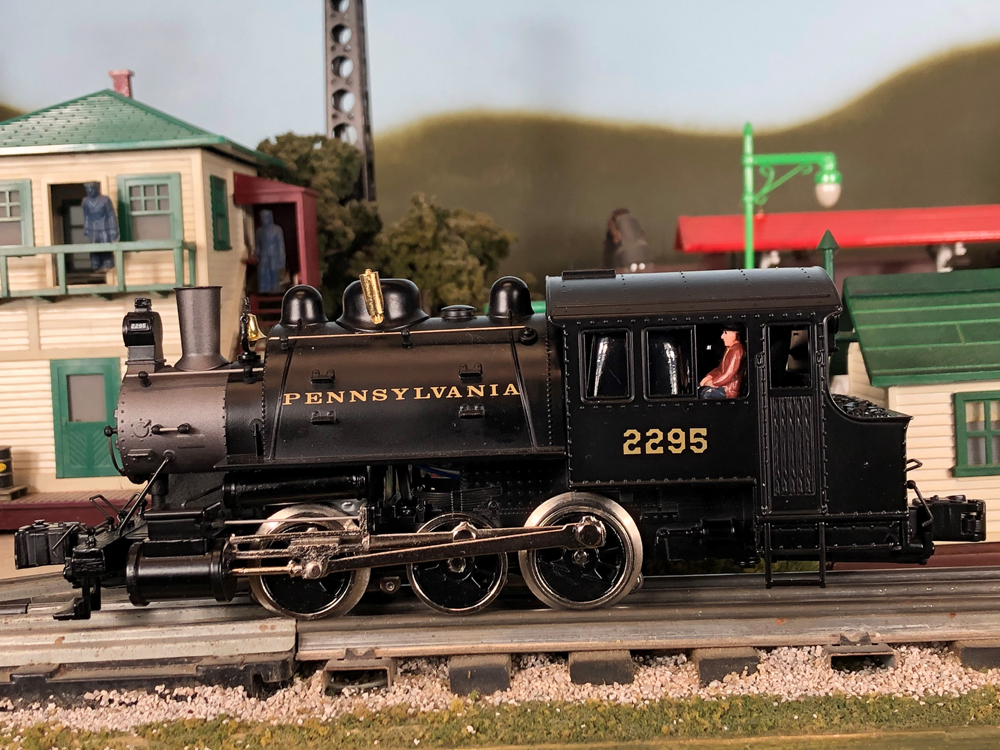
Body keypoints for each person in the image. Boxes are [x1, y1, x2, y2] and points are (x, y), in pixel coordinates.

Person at [699, 324, 744, 399]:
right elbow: (720, 369)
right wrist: (710, 376)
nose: (722, 337)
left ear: (735, 335)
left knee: (704, 393)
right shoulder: (729, 349)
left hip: (728, 389)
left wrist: (712, 382)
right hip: (723, 385)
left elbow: (728, 375)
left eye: (725, 333)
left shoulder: (736, 351)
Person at [82, 182, 119, 270]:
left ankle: (107, 262)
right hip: (93, 228)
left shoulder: (105, 200)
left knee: (105, 245)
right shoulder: (85, 201)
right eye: (88, 189)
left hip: (104, 227)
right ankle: (95, 262)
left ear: (96, 188)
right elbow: (86, 216)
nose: (90, 191)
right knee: (94, 246)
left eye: (91, 188)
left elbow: (111, 215)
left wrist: (113, 229)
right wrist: (86, 228)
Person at [254, 210, 286, 294]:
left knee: (273, 271)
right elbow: (258, 245)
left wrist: (282, 258)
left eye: (265, 217)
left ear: (270, 218)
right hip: (263, 254)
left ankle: (275, 289)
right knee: (262, 271)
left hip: (274, 255)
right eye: (262, 217)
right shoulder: (259, 231)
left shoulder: (277, 229)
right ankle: (263, 289)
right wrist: (256, 255)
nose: (263, 219)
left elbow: (281, 245)